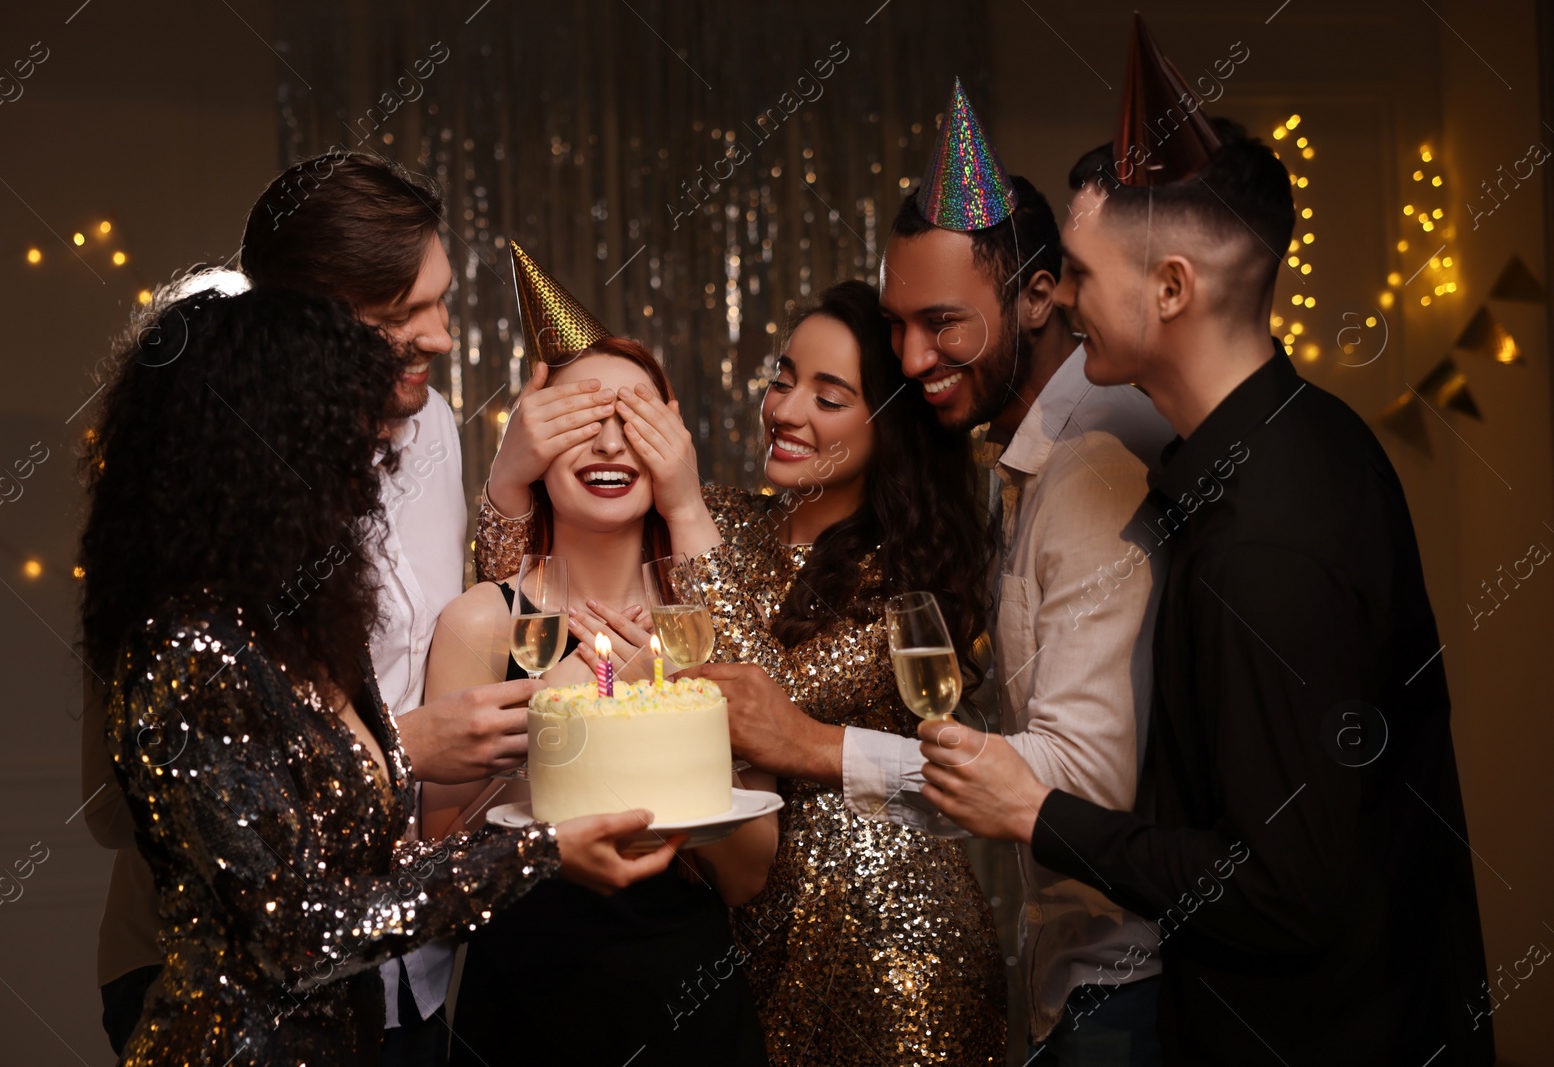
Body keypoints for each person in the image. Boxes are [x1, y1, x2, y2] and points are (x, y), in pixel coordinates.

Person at [915, 17, 1495, 1066]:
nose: (1066, 304)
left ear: (1171, 288)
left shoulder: (1262, 542)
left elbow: (1280, 893)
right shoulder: (1309, 431)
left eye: (1082, 276)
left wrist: (1038, 811)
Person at [77, 151, 616, 1061]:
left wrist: (516, 502)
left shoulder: (436, 430)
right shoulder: (187, 500)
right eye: (402, 313)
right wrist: (405, 751)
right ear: (299, 328)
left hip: (411, 954)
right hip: (227, 987)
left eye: (440, 299)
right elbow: (120, 804)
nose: (442, 337)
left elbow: (467, 629)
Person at [699, 80, 1173, 1063]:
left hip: (1121, 979)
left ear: (1040, 295)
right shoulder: (1017, 467)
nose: (913, 358)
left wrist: (816, 745)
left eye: (945, 323)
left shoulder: (1090, 459)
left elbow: (1083, 779)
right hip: (1056, 967)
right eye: (899, 323)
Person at [477, 263, 1006, 1064]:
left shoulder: (901, 576)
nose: (787, 411)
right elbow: (532, 582)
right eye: (783, 379)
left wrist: (684, 504)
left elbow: (764, 710)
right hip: (745, 938)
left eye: (829, 398)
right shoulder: (726, 523)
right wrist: (512, 470)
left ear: (888, 426)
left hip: (883, 938)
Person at [427, 267, 775, 1063]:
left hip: (689, 1006)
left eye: (635, 421)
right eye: (581, 420)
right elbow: (437, 873)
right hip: (521, 1010)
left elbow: (751, 873)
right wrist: (556, 718)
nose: (612, 444)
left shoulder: (704, 628)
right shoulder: (484, 623)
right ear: (531, 445)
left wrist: (658, 721)